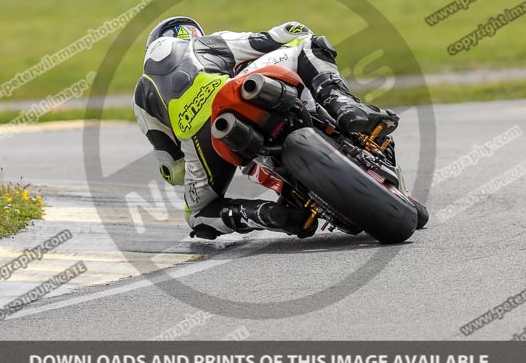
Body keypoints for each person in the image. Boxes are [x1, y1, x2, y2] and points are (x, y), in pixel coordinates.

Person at [133, 17, 399, 240]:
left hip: (202, 138)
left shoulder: (142, 97)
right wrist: (295, 31)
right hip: (240, 88)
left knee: (199, 215)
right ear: (192, 33)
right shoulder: (209, 42)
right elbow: (280, 35)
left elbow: (173, 168)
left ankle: (261, 214)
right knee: (306, 43)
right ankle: (343, 105)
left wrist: (187, 166)